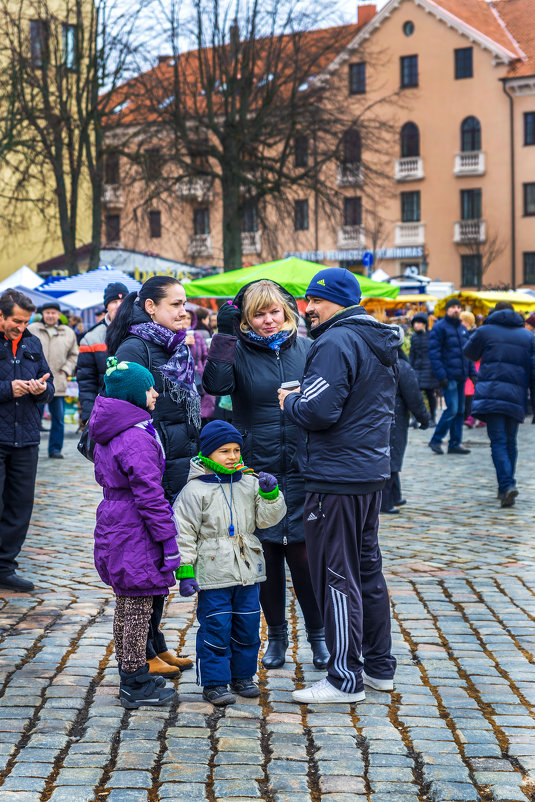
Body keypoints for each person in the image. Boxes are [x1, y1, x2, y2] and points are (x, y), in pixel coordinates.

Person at [278, 268, 398, 704]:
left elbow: (318, 411)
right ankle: (380, 668)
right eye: (307, 300)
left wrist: (290, 399)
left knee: (334, 574)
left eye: (316, 301)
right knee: (367, 570)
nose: (307, 309)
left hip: (336, 478)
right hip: (367, 473)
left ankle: (344, 678)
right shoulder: (375, 338)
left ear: (340, 302)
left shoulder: (336, 340)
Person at [203, 280, 329, 671]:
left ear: (288, 311)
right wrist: (224, 337)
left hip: (303, 466)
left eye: (274, 312)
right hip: (259, 469)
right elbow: (215, 385)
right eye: (258, 314)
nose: (268, 320)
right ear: (246, 319)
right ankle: (276, 635)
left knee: (305, 556)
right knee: (267, 557)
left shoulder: (309, 349)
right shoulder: (236, 351)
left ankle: (318, 637)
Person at [106, 275, 199, 677]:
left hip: (177, 458)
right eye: (175, 304)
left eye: (184, 304)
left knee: (159, 564)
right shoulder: (137, 346)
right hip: (152, 464)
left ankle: (155, 645)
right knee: (148, 563)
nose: (184, 312)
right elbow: (126, 408)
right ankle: (141, 652)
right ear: (151, 308)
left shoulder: (174, 347)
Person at [173, 421, 286, 706]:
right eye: (224, 451)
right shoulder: (194, 490)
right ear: (208, 453)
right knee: (216, 628)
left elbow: (265, 519)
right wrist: (185, 570)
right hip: (214, 573)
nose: (233, 456)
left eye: (236, 450)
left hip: (248, 570)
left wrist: (271, 496)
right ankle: (214, 682)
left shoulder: (249, 482)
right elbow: (182, 533)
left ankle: (243, 676)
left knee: (248, 628)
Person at [89, 357, 179, 709]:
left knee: (127, 602)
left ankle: (133, 671)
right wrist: (167, 540)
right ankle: (134, 682)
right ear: (133, 396)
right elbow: (150, 494)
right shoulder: (134, 436)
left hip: (116, 520)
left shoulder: (113, 428)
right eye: (149, 388)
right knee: (138, 606)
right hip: (134, 528)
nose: (155, 393)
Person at [0, 289, 54, 592]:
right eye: (16, 321)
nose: (21, 327)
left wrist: (39, 389)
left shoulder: (32, 342)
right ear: (1, 315)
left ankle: (5, 566)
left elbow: (49, 384)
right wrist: (9, 389)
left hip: (27, 438)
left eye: (25, 322)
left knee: (20, 507)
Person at [463, 301, 535, 507]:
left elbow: (469, 353)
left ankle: (506, 485)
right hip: (516, 396)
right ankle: (506, 485)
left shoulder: (485, 331)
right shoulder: (528, 336)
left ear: (494, 312)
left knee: (498, 441)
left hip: (491, 393)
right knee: (511, 441)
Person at [382, 326, 429, 514]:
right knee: (392, 456)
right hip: (396, 415)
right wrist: (424, 418)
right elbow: (414, 397)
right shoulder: (401, 365)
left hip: (382, 414)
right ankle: (386, 502)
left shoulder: (376, 361)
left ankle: (395, 495)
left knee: (389, 455)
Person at [29, 301, 78, 459]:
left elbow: (74, 354)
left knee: (58, 419)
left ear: (59, 315)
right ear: (42, 314)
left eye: (53, 313)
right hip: (36, 382)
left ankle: (55, 449)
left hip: (58, 381)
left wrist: (66, 370)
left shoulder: (68, 332)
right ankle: (32, 447)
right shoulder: (32, 329)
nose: (50, 315)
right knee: (33, 418)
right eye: (47, 312)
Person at [427, 297, 475, 456]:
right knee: (452, 409)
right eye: (453, 307)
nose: (456, 309)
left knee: (460, 411)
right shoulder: (440, 328)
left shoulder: (462, 329)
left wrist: (472, 374)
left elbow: (467, 354)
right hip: (448, 376)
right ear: (447, 310)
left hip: (461, 376)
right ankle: (436, 440)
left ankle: (455, 443)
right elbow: (434, 354)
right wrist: (441, 376)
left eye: (458, 307)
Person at [77, 282, 129, 425]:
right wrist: (88, 413)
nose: (119, 305)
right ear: (106, 306)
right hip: (105, 409)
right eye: (114, 301)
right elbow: (87, 381)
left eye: (123, 301)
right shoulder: (90, 338)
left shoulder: (141, 331)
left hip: (136, 407)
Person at [183, 304, 215, 425]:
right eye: (184, 318)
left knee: (204, 414)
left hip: (200, 378)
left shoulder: (197, 335)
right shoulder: (174, 336)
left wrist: (204, 369)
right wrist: (183, 343)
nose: (186, 321)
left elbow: (205, 356)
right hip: (186, 380)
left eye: (189, 318)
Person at [409, 313, 438, 423]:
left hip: (429, 369)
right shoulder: (414, 337)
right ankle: (416, 418)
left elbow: (434, 353)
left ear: (424, 324)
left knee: (430, 395)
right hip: (417, 369)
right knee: (415, 395)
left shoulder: (431, 335)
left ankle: (432, 418)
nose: (416, 325)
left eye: (418, 323)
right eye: (414, 323)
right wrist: (410, 368)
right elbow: (412, 354)